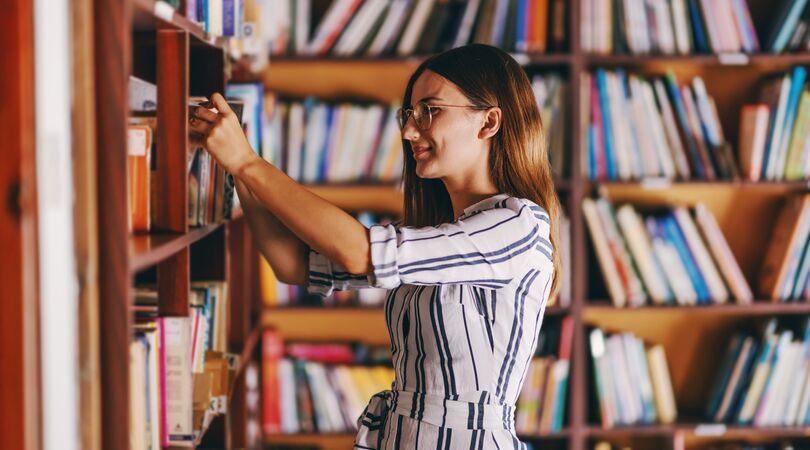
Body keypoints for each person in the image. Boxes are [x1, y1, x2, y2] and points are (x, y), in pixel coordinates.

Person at [190, 43, 561, 449]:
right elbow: (293, 264)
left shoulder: (518, 225)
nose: (408, 131)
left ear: (488, 122)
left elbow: (359, 252)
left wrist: (248, 163)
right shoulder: (436, 235)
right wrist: (236, 167)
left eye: (430, 111)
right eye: (409, 115)